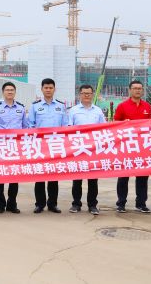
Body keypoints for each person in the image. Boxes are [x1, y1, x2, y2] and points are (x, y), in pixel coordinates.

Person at [28, 78, 68, 214]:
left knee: (53, 177)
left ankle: (52, 204)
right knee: (40, 176)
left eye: (51, 88)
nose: (48, 90)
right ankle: (39, 204)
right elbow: (31, 125)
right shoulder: (35, 106)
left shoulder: (61, 106)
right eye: (46, 88)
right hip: (40, 145)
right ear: (42, 89)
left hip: (56, 145)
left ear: (54, 89)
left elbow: (65, 126)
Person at [0, 81, 29, 214]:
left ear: (15, 92)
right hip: (0, 146)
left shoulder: (21, 108)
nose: (10, 92)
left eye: (12, 90)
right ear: (3, 92)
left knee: (14, 177)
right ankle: (0, 205)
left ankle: (12, 204)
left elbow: (25, 127)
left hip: (15, 147)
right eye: (7, 90)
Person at [114, 80, 151, 213]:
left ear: (142, 91)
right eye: (135, 88)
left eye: (140, 88)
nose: (137, 90)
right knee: (123, 176)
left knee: (143, 176)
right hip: (127, 146)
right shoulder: (122, 106)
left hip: (142, 147)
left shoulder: (147, 106)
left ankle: (141, 203)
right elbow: (115, 124)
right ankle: (121, 203)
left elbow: (150, 125)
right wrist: (123, 124)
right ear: (130, 90)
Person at [67, 84, 106, 215]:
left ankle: (92, 205)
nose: (87, 95)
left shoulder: (98, 111)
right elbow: (68, 129)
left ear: (92, 94)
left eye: (89, 93)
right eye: (84, 93)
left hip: (93, 149)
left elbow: (104, 129)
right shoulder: (73, 110)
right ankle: (76, 204)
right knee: (77, 179)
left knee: (93, 179)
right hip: (78, 149)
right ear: (80, 95)